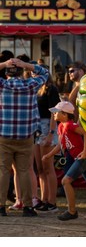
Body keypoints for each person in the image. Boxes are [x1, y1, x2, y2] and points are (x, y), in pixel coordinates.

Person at [0, 58, 49, 217]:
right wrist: (26, 64)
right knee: (25, 171)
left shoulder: (3, 85)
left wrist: (4, 64)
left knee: (3, 171)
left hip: (4, 135)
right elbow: (45, 73)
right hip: (26, 136)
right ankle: (28, 207)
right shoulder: (31, 85)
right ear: (22, 73)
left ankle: (1, 206)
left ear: (6, 74)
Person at [43, 101, 86, 221]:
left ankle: (72, 211)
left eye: (56, 112)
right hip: (85, 157)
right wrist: (49, 155)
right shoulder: (62, 126)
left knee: (65, 181)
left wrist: (84, 151)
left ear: (65, 114)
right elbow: (61, 145)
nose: (54, 114)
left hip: (84, 158)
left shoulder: (70, 125)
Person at [33, 72, 61, 212]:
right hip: (37, 128)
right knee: (40, 168)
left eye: (36, 72)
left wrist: (51, 133)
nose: (33, 74)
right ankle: (44, 199)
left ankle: (52, 201)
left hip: (46, 127)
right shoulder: (37, 88)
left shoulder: (52, 89)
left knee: (48, 166)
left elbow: (53, 112)